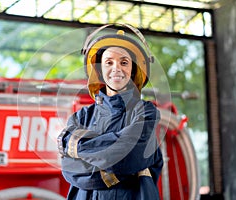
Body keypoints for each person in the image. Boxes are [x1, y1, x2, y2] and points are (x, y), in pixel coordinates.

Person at [57, 23, 163, 200]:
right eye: (109, 62)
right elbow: (70, 169)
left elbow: (127, 156)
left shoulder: (146, 113)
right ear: (99, 69)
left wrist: (78, 148)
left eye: (124, 62)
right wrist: (115, 165)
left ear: (133, 69)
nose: (117, 68)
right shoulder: (81, 117)